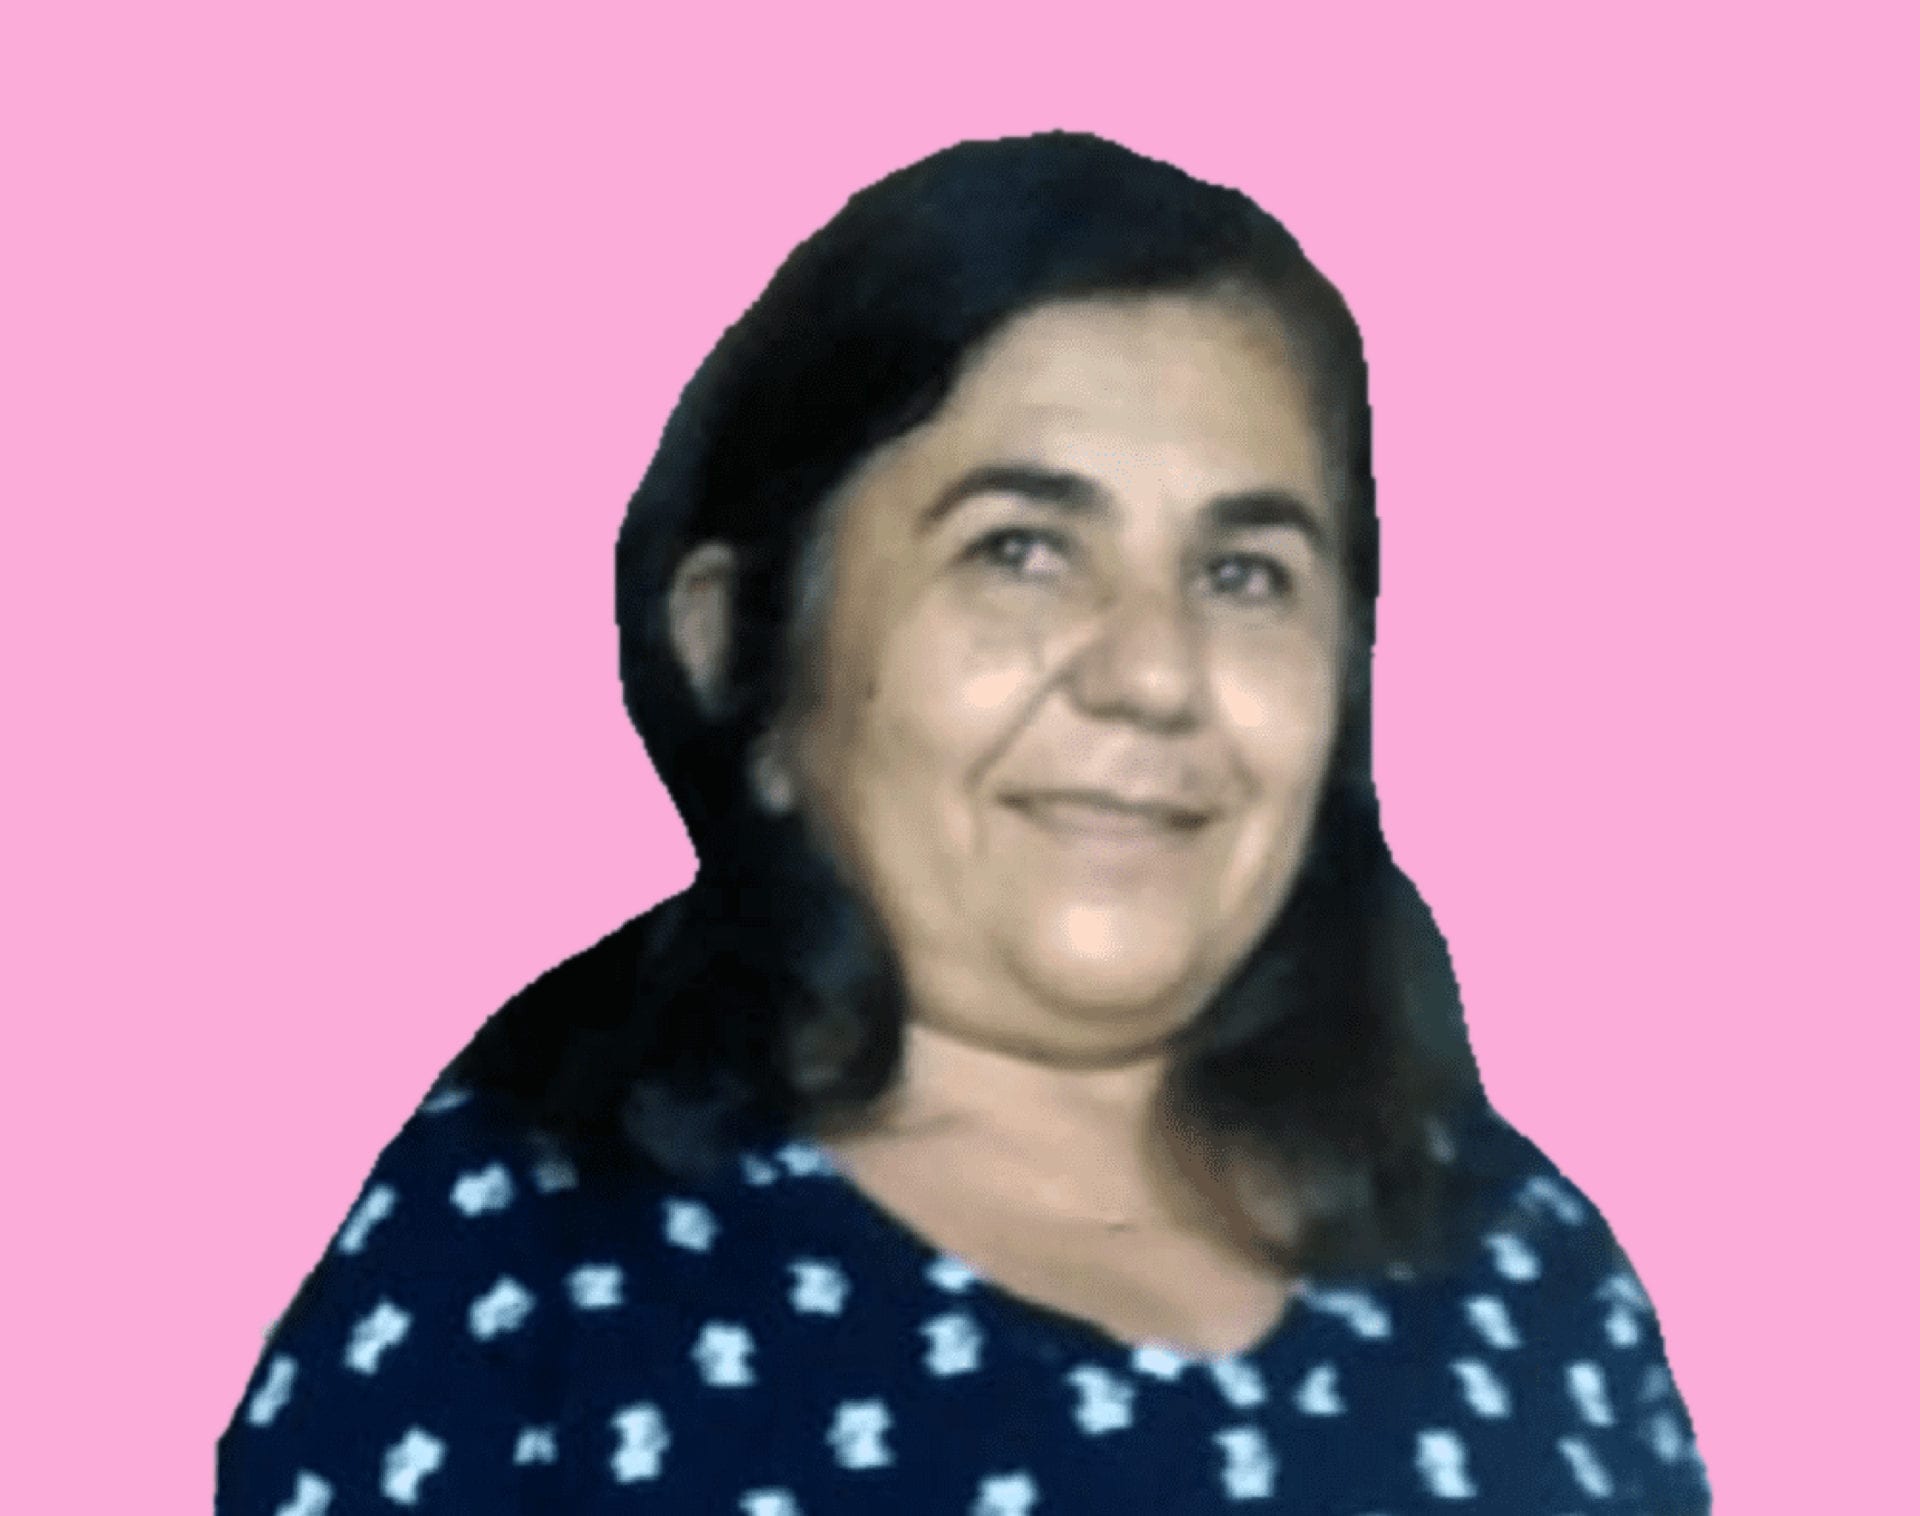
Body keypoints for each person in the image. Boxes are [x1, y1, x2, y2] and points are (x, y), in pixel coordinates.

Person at [216, 132, 1712, 1513]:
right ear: (743, 652)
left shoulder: (1527, 1274)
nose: (1154, 674)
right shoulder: (521, 1273)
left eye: (1245, 574)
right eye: (1021, 550)